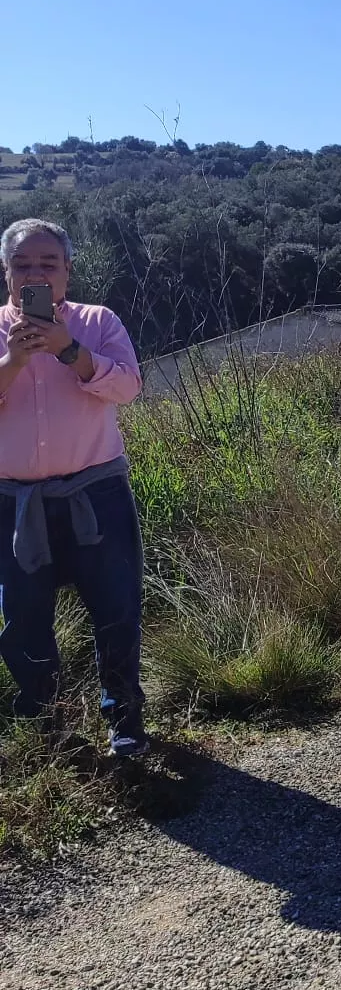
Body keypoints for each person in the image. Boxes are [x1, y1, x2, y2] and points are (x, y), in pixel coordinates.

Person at [0, 218, 149, 757]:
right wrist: (15, 360)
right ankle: (48, 726)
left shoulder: (97, 321)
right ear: (6, 272)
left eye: (47, 264)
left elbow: (129, 387)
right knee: (24, 616)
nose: (34, 273)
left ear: (66, 273)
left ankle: (125, 722)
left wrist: (70, 350)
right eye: (22, 265)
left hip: (96, 492)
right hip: (13, 502)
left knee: (116, 606)